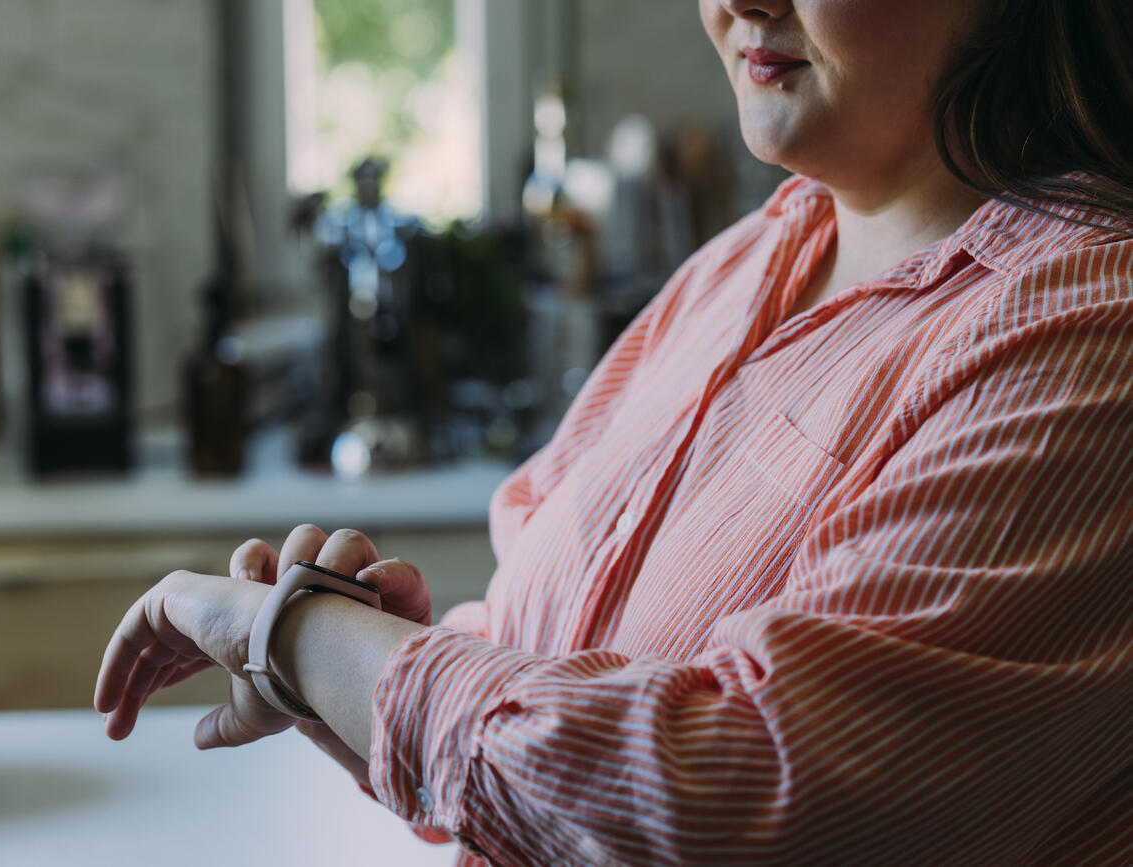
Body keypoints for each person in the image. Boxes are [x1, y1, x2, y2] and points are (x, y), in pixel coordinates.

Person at [95, 0, 1133, 863]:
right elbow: (534, 690)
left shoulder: (1088, 332)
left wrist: (307, 639)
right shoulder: (751, 258)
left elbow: (737, 801)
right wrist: (345, 658)